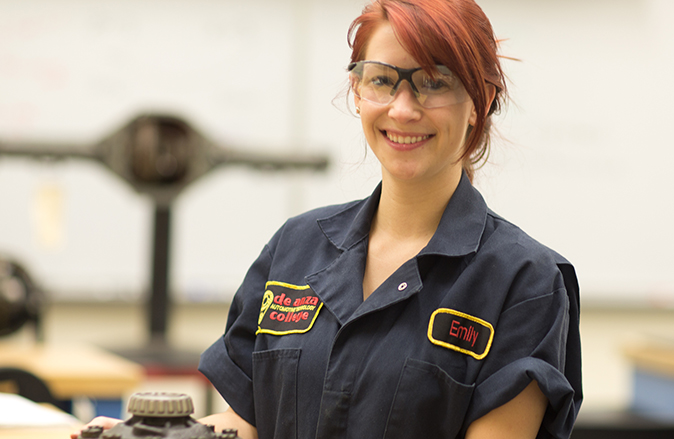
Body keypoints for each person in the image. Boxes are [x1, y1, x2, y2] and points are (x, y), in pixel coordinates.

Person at [73, 0, 582, 438]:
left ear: (481, 102)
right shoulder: (295, 248)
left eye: (433, 83)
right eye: (382, 80)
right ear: (358, 94)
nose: (403, 109)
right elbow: (245, 422)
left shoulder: (524, 282)